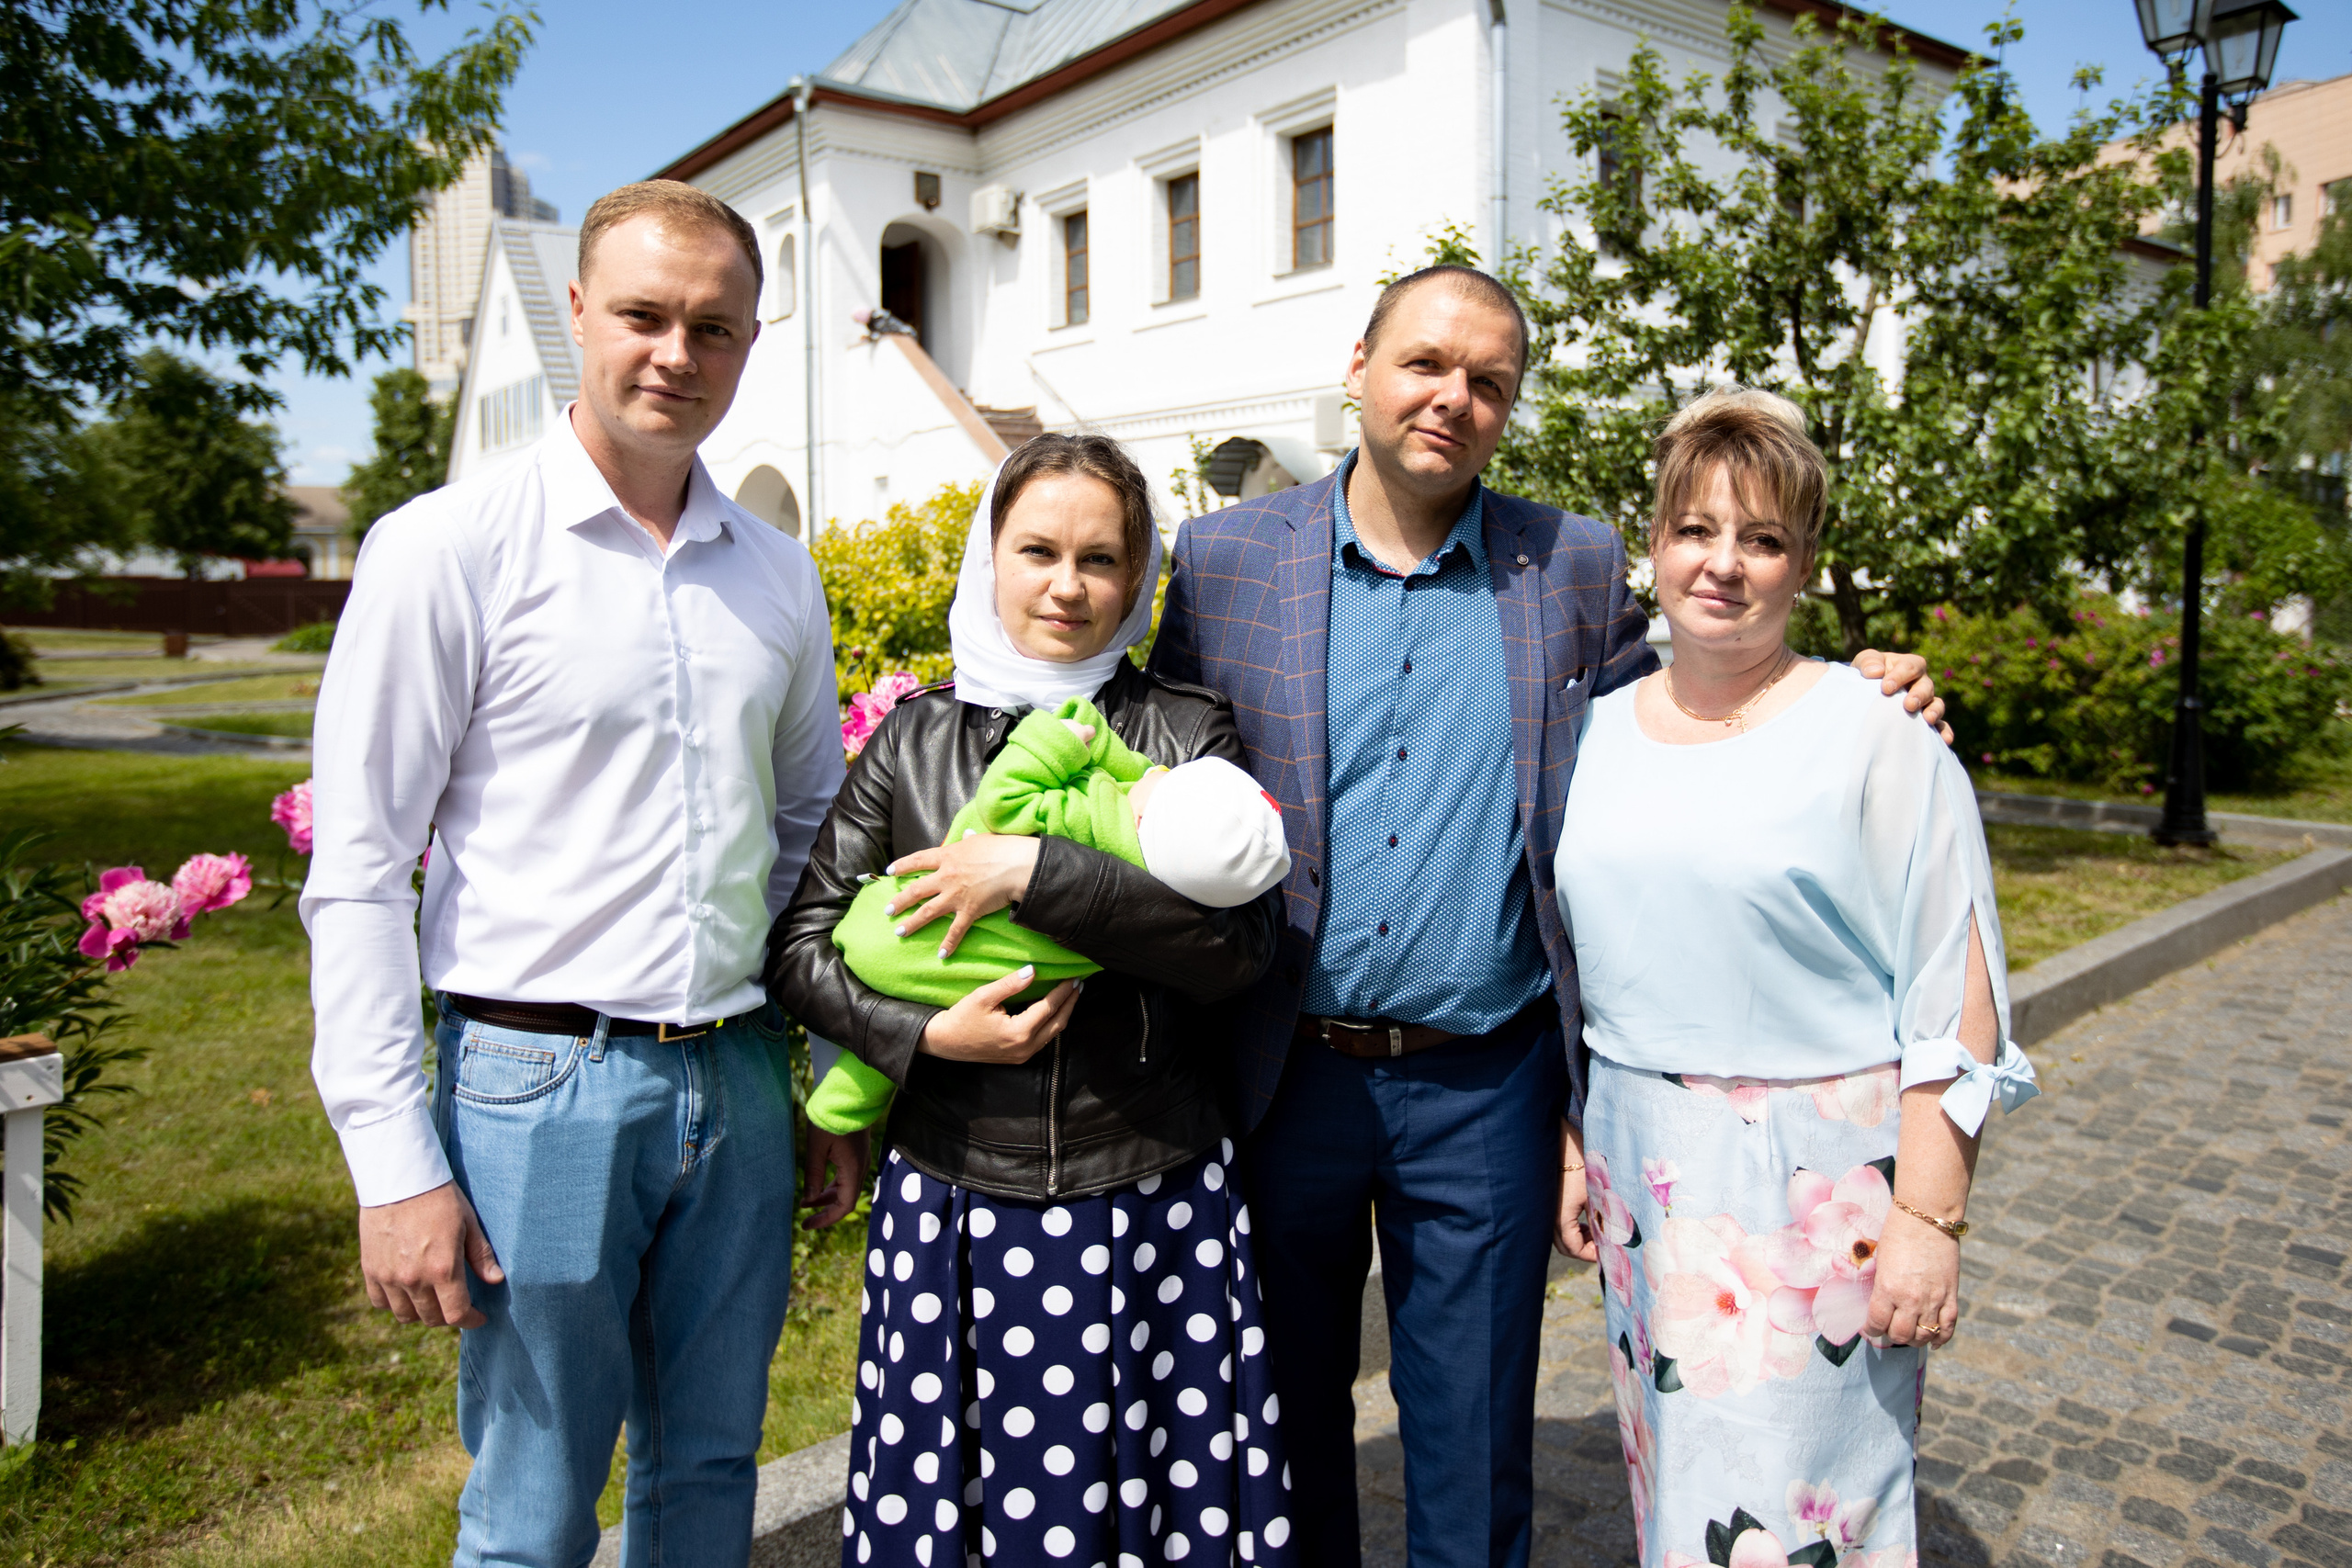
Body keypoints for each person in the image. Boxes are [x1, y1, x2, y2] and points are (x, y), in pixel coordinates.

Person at [1148, 265, 1946, 1568]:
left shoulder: (1566, 560)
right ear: (1359, 366)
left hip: (1484, 1084)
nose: (1452, 398)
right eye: (1424, 365)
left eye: (1488, 381)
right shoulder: (1227, 561)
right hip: (1280, 1069)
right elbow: (1155, 773)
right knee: (1280, 1424)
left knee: (1471, 1433)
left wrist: (1847, 688)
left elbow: (1692, 685)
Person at [303, 180, 866, 1565]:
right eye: (644, 315)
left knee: (709, 1471)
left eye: (716, 328)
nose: (677, 353)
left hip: (736, 1078)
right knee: (534, 1498)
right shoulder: (444, 550)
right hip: (532, 1085)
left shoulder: (780, 579)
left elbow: (807, 839)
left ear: (748, 342)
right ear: (576, 317)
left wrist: (833, 1074)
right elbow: (363, 865)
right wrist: (392, 1159)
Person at [764, 433, 1299, 1568]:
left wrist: (1039, 876)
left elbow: (1240, 948)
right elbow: (801, 947)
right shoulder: (913, 738)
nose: (1068, 586)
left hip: (1146, 1185)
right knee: (966, 1509)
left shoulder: (1180, 732)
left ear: (1140, 576)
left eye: (1102, 559)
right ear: (987, 558)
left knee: (1146, 1505)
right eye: (1038, 550)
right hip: (955, 1193)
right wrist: (923, 1034)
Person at [1552, 386, 2038, 1565]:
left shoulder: (1876, 732)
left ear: (1803, 561)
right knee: (1681, 1498)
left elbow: (1955, 998)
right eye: (1694, 531)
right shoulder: (1593, 729)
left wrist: (1929, 1221)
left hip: (1822, 1195)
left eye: (1761, 539)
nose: (1722, 565)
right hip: (1644, 1173)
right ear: (1653, 545)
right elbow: (1573, 964)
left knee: (1812, 1517)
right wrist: (1572, 1140)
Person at [806, 697, 1290, 1132]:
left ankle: (838, 1108)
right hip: (973, 982)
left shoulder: (1096, 816)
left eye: (1166, 778)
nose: (1154, 769)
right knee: (923, 998)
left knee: (914, 976)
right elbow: (1141, 778)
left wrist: (1054, 743)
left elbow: (1002, 802)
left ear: (1143, 819)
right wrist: (931, 1034)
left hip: (894, 932)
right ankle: (842, 1106)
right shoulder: (1171, 882)